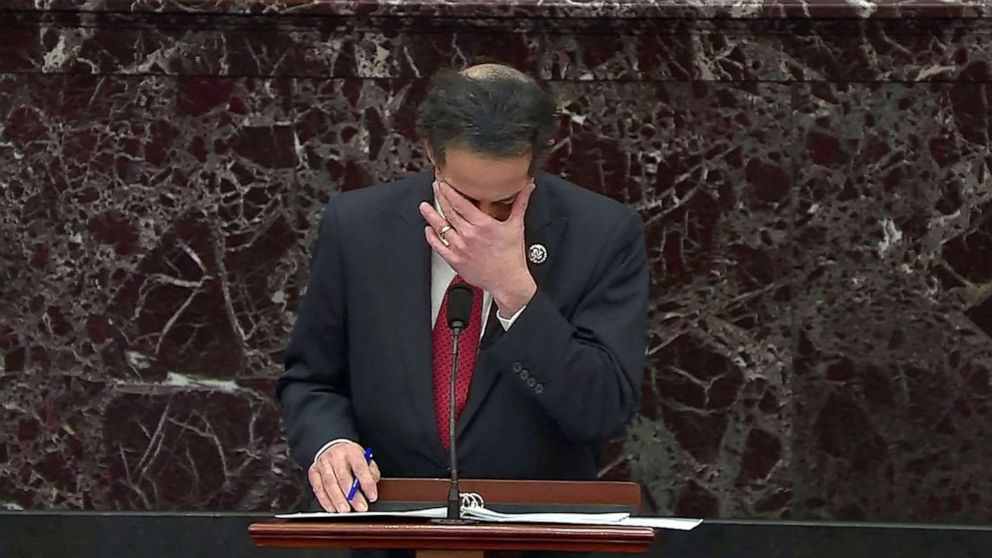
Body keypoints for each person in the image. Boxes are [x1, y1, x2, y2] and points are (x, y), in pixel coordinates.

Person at [277, 63, 648, 514]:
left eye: (506, 202)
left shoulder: (601, 234)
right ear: (431, 151)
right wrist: (330, 444)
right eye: (466, 200)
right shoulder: (358, 227)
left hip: (535, 532)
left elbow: (603, 410)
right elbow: (311, 379)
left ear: (534, 162)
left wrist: (516, 295)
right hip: (386, 524)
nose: (483, 221)